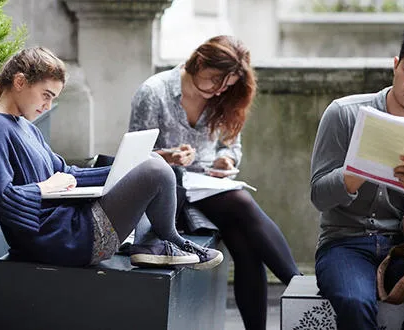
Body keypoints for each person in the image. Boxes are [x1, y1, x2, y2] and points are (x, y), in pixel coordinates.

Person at [0, 47, 223, 270]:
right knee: (157, 172)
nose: (47, 106)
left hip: (68, 228)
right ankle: (169, 241)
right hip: (61, 240)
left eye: (53, 98)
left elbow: (67, 173)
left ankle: (157, 245)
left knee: (153, 165)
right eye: (46, 94)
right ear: (19, 81)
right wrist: (43, 188)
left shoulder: (25, 127)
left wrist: (128, 167)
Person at [129, 35, 302, 330]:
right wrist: (168, 157)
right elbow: (135, 157)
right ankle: (302, 288)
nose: (218, 90)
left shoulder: (224, 97)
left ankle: (285, 303)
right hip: (171, 194)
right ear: (198, 62)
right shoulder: (154, 92)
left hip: (210, 187)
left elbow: (230, 146)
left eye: (227, 85)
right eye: (214, 80)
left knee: (245, 243)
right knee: (241, 202)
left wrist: (227, 161)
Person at [310, 22, 404, 330]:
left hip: (400, 251)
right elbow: (319, 196)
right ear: (395, 66)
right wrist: (356, 172)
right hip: (343, 244)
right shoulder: (344, 114)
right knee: (355, 302)